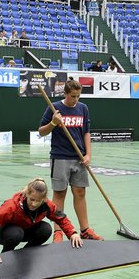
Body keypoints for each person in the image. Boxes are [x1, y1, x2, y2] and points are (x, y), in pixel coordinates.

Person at [38, 79, 102, 242]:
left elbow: (86, 132)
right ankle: (58, 232)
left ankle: (85, 230)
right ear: (66, 93)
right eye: (73, 96)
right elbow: (42, 132)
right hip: (60, 157)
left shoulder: (83, 108)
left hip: (79, 158)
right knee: (59, 194)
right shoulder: (55, 108)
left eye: (78, 96)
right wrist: (53, 122)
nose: (76, 99)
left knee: (80, 193)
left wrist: (88, 155)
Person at [0, 178, 83, 265]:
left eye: (38, 201)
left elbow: (61, 218)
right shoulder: (11, 206)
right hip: (3, 233)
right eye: (31, 199)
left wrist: (73, 233)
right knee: (16, 233)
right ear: (27, 194)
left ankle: (26, 254)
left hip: (24, 230)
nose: (34, 204)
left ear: (43, 199)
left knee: (46, 229)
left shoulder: (47, 205)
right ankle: (5, 257)